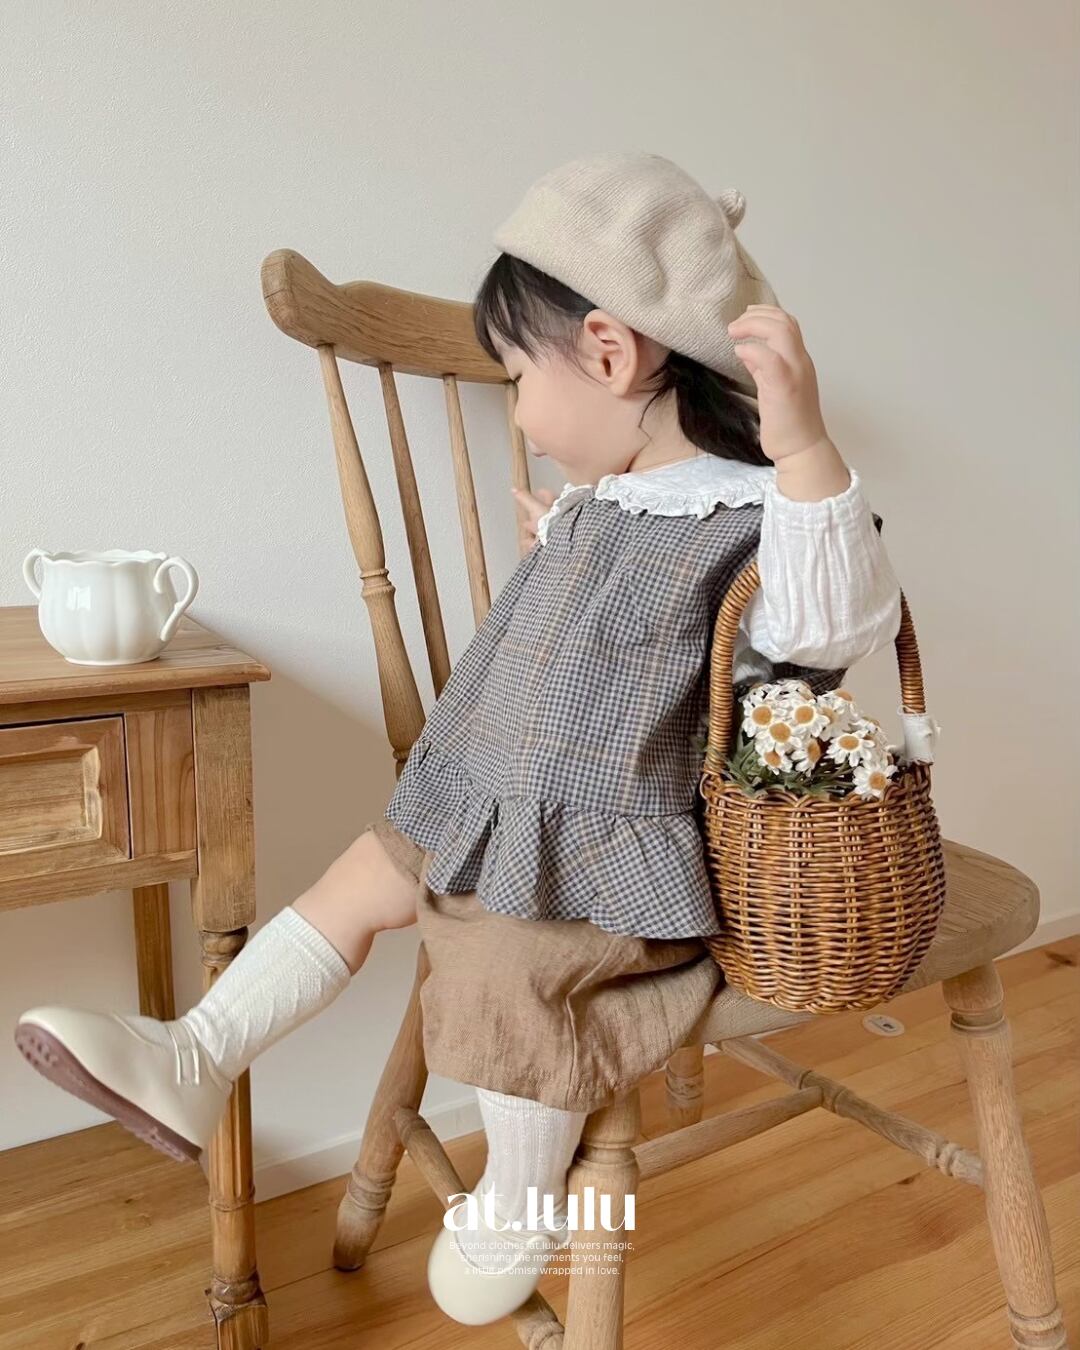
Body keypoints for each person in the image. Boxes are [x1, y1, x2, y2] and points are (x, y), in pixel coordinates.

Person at [14, 151, 907, 1327]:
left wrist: (805, 452)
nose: (516, 413)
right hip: (482, 797)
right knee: (358, 879)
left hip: (606, 857)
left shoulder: (753, 512)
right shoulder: (606, 502)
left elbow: (834, 630)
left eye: (517, 378)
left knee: (511, 972)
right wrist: (562, 550)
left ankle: (522, 1195)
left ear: (609, 354)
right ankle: (198, 1053)